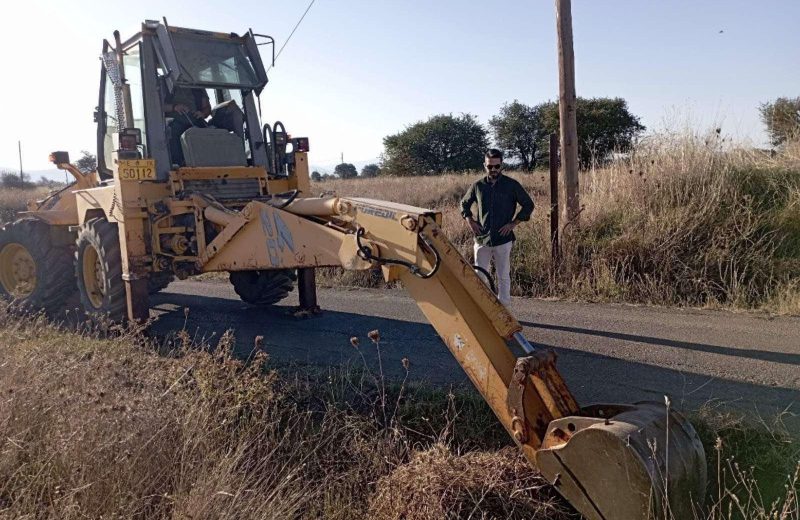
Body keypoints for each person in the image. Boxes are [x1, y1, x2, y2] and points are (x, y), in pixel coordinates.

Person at [460, 148, 534, 305]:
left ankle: (504, 308)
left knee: (503, 274)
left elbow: (528, 205)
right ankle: (482, 307)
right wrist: (470, 220)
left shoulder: (511, 185)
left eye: (496, 166)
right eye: (489, 166)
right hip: (482, 238)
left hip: (503, 238)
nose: (493, 170)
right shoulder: (478, 186)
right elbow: (464, 203)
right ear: (484, 166)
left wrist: (513, 223)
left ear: (501, 165)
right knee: (480, 275)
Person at [164, 87, 212, 166]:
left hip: (195, 121)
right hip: (173, 122)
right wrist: (174, 107)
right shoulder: (166, 83)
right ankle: (177, 165)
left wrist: (202, 113)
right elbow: (156, 106)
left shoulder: (197, 86)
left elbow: (207, 108)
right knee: (172, 131)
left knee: (211, 133)